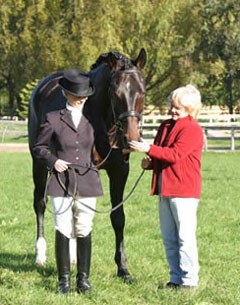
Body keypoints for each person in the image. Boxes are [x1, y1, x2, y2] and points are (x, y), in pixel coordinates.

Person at [33, 70, 103, 294]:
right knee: (63, 227)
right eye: (76, 94)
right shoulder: (53, 118)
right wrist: (53, 161)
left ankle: (83, 279)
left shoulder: (93, 121)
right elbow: (39, 148)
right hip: (61, 180)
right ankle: (64, 280)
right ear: (65, 93)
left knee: (84, 227)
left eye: (84, 94)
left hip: (87, 179)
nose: (81, 98)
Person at [129, 84, 203, 289]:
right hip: (164, 188)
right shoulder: (165, 126)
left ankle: (189, 281)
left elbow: (175, 155)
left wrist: (149, 149)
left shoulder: (192, 129)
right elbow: (161, 153)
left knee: (184, 238)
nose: (172, 110)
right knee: (169, 237)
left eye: (178, 107)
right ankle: (175, 278)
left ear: (189, 109)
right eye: (172, 105)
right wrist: (149, 162)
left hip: (184, 190)